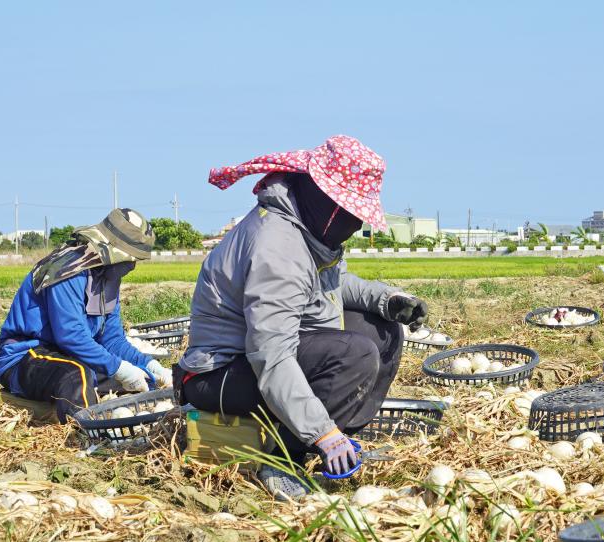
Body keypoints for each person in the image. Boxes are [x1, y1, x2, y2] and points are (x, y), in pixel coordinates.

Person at [174, 135, 428, 499]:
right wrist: (319, 431)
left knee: (380, 332)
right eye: (352, 213)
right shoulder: (278, 247)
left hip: (258, 358)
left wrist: (388, 300)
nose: (355, 225)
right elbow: (271, 355)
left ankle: (340, 439)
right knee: (354, 354)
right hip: (218, 374)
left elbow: (333, 282)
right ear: (326, 200)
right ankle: (283, 460)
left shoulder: (306, 226)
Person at [0, 208, 172, 422]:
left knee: (144, 380)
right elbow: (71, 336)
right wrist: (118, 368)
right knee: (77, 377)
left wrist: (150, 366)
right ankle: (85, 435)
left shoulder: (108, 279)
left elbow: (113, 340)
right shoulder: (68, 272)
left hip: (68, 355)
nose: (132, 266)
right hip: (25, 356)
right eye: (130, 259)